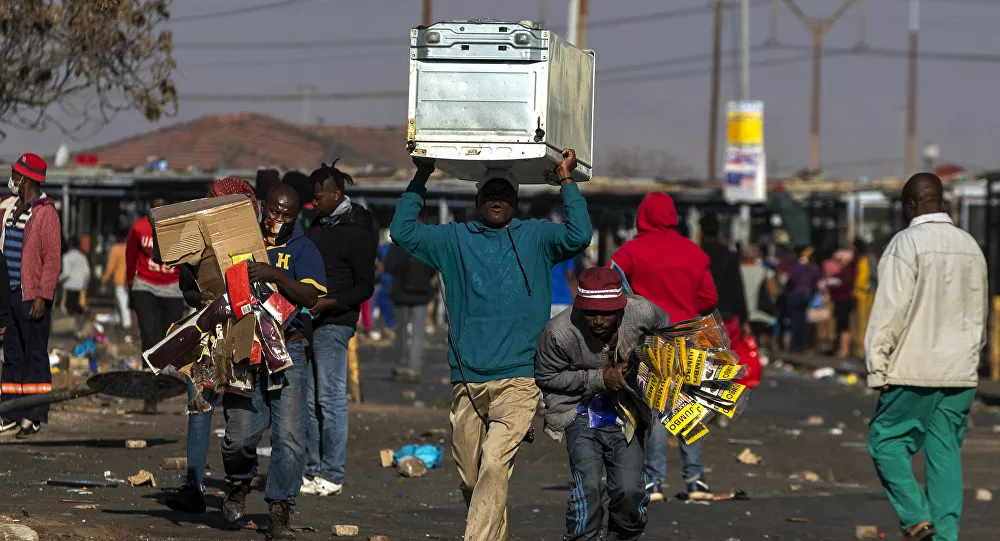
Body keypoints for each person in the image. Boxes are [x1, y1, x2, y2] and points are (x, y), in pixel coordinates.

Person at [390, 150, 590, 541]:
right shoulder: (454, 239)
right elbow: (403, 232)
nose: (497, 199)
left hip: (520, 377)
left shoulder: (537, 237)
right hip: (467, 377)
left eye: (505, 193)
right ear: (478, 199)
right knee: (472, 475)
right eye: (490, 193)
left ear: (515, 201)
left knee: (495, 463)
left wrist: (566, 180)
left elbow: (579, 235)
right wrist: (421, 178)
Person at [866, 173, 987, 541]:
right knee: (945, 454)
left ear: (910, 206)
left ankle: (916, 517)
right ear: (944, 203)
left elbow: (890, 310)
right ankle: (945, 535)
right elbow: (979, 313)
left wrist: (878, 365)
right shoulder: (970, 246)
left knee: (885, 442)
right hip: (960, 371)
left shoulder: (906, 243)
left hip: (913, 368)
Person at [220, 184, 327, 541]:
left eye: (286, 214)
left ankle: (280, 511)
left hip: (288, 348)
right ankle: (238, 483)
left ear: (296, 216)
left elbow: (310, 296)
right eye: (273, 212)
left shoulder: (303, 248)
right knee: (240, 434)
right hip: (246, 351)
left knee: (290, 435)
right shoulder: (246, 239)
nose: (277, 220)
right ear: (263, 207)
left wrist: (276, 276)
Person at [535, 267, 669, 541]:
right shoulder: (559, 332)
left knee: (629, 491)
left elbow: (667, 336)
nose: (597, 321)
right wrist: (599, 378)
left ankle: (624, 535)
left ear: (620, 308)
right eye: (590, 313)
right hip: (579, 413)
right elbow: (546, 377)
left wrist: (648, 363)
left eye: (605, 313)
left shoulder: (643, 312)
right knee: (589, 489)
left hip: (629, 414)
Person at [609, 192, 717, 502]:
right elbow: (709, 298)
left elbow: (609, 282)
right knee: (687, 407)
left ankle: (654, 481)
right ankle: (696, 479)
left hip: (651, 338)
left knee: (657, 409)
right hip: (690, 339)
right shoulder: (694, 253)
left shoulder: (630, 251)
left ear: (641, 217)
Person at [163, 177, 259, 515]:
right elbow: (186, 288)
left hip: (247, 329)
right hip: (208, 328)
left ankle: (238, 485)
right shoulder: (197, 243)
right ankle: (195, 486)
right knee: (200, 403)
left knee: (240, 409)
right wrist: (199, 296)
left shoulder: (257, 240)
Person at [302, 160, 377, 497]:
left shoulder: (357, 232)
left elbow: (365, 288)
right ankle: (311, 470)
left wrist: (329, 303)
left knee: (329, 399)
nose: (314, 202)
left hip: (335, 323)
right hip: (308, 320)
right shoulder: (315, 228)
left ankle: (332, 473)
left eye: (319, 196)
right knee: (308, 400)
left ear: (336, 194)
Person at [0, 154, 61, 437]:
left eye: (15, 174)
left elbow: (52, 259)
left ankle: (33, 414)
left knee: (34, 355)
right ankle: (10, 412)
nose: (11, 178)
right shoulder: (11, 208)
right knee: (12, 355)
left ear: (25, 178)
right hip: (10, 294)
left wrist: (42, 296)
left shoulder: (45, 213)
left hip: (31, 296)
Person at [126, 190, 185, 361]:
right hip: (145, 284)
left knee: (168, 335)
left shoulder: (179, 229)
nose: (158, 213)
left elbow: (187, 259)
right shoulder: (139, 227)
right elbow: (131, 255)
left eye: (162, 208)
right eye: (155, 208)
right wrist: (131, 282)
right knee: (149, 332)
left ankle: (165, 374)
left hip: (172, 287)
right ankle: (148, 371)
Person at [385, 238, 435, 383]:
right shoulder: (425, 245)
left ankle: (401, 365)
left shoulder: (398, 245)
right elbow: (433, 268)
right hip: (422, 293)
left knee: (401, 332)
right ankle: (414, 367)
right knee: (418, 333)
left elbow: (390, 266)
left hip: (401, 293)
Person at [699, 214, 748, 331]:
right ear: (718, 232)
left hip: (702, 315)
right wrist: (744, 318)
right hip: (726, 315)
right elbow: (737, 287)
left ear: (701, 232)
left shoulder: (696, 255)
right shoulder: (728, 255)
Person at [740, 244, 777, 349]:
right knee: (757, 343)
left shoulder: (737, 270)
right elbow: (773, 292)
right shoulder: (765, 271)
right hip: (759, 313)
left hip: (741, 313)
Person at [785, 247, 819, 352]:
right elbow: (815, 282)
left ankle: (796, 345)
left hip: (795, 295)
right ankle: (801, 344)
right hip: (806, 295)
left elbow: (791, 281)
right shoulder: (812, 268)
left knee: (795, 320)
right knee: (802, 320)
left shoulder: (796, 267)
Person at [827, 249, 856, 357]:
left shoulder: (848, 272)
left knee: (844, 325)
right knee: (841, 325)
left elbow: (844, 284)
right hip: (841, 300)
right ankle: (840, 348)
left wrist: (832, 284)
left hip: (844, 300)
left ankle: (844, 350)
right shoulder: (846, 271)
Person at [100, 238, 131, 330]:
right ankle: (117, 320)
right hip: (131, 280)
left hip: (120, 281)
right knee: (120, 302)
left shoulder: (116, 249)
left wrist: (104, 279)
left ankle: (126, 324)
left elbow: (111, 265)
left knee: (123, 303)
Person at [59, 237, 90, 317]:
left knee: (66, 307)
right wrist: (84, 284)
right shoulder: (82, 256)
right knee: (75, 304)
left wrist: (57, 279)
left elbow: (66, 273)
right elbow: (87, 272)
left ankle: (81, 314)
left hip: (69, 285)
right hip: (79, 285)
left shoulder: (67, 256)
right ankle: (82, 313)